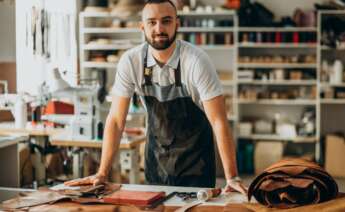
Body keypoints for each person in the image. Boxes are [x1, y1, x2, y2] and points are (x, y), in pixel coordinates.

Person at [65, 0, 247, 194]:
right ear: (142, 27)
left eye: (166, 21)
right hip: (156, 161)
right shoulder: (131, 62)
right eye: (152, 22)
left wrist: (232, 177)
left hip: (197, 164)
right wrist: (102, 173)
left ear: (177, 24)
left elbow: (219, 120)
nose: (159, 28)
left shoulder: (196, 61)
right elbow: (116, 120)